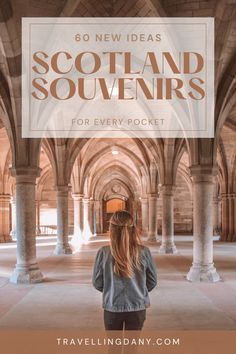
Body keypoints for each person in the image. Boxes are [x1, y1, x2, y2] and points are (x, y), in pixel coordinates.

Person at [92, 210, 157, 331]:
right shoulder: (144, 251)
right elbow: (152, 281)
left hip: (112, 307)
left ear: (111, 229)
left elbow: (97, 283)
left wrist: (111, 290)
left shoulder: (103, 252)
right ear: (133, 229)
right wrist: (138, 291)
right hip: (137, 307)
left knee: (113, 347)